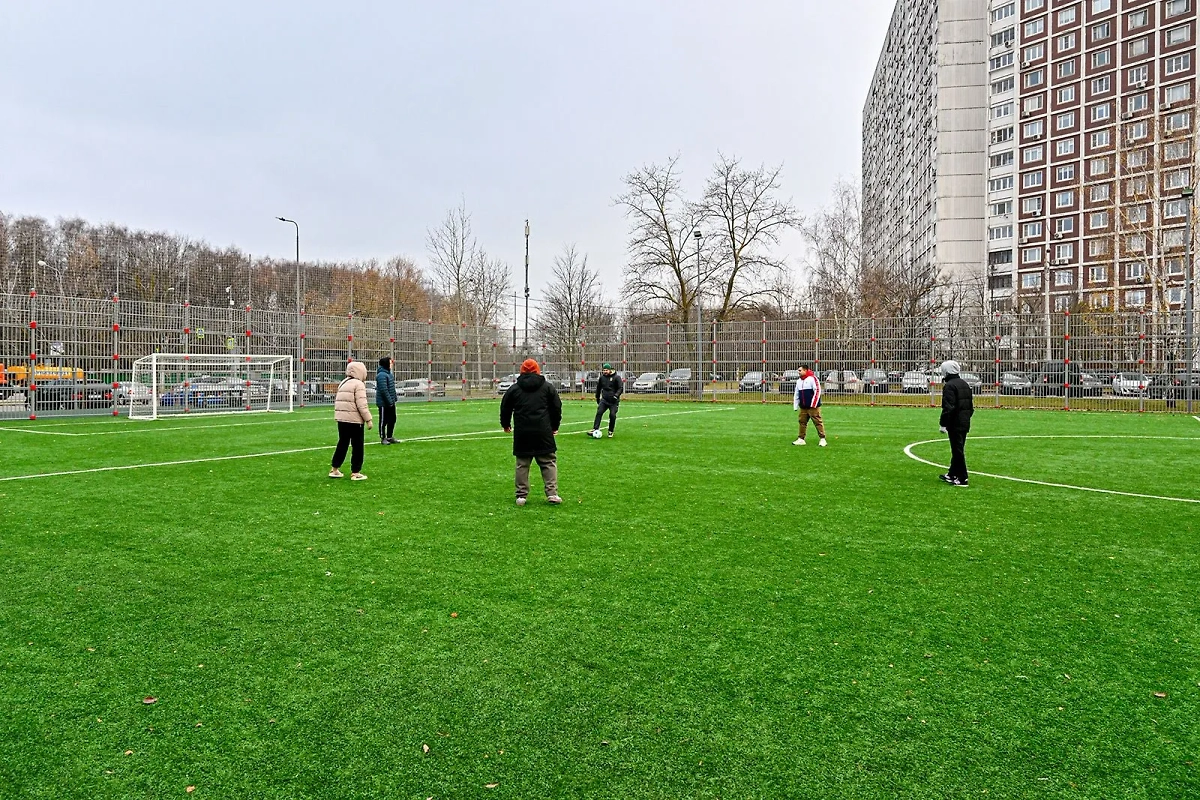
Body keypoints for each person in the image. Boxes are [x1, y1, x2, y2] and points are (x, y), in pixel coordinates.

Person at [500, 358, 563, 506]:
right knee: (548, 462)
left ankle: (521, 496)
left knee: (522, 464)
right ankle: (552, 493)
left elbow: (505, 407)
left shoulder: (514, 389)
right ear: (537, 370)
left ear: (521, 371)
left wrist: (505, 424)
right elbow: (556, 408)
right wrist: (555, 426)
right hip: (543, 431)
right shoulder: (547, 388)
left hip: (523, 432)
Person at [330, 361, 373, 480]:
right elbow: (362, 404)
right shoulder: (358, 384)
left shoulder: (343, 383)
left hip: (341, 419)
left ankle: (335, 469)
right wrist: (368, 419)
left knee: (342, 443)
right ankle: (356, 472)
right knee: (357, 445)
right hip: (354, 420)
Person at [938, 359, 974, 487]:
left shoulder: (950, 386)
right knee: (958, 448)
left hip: (955, 423)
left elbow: (949, 407)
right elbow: (970, 407)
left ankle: (962, 477)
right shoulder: (964, 384)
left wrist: (943, 423)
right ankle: (952, 473)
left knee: (957, 450)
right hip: (964, 422)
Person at [792, 364, 827, 447]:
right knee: (802, 422)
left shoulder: (813, 379)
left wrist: (813, 404)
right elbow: (797, 393)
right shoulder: (799, 381)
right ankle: (801, 439)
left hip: (813, 407)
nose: (798, 372)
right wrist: (796, 405)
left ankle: (822, 439)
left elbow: (817, 391)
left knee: (817, 422)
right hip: (803, 407)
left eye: (800, 370)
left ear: (805, 370)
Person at [591, 362, 623, 438]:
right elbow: (598, 388)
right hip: (604, 400)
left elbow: (620, 388)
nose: (605, 371)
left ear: (610, 370)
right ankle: (595, 429)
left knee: (612, 415)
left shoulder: (616, 377)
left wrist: (616, 396)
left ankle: (610, 431)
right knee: (599, 412)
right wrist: (597, 397)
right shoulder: (602, 378)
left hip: (613, 401)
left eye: (606, 370)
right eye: (604, 370)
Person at [376, 356, 398, 445]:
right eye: (390, 362)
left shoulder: (389, 374)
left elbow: (391, 388)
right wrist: (389, 401)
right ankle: (383, 438)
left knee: (392, 419)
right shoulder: (381, 375)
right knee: (383, 421)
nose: (391, 364)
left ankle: (389, 436)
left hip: (390, 402)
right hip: (383, 403)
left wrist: (394, 399)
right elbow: (384, 390)